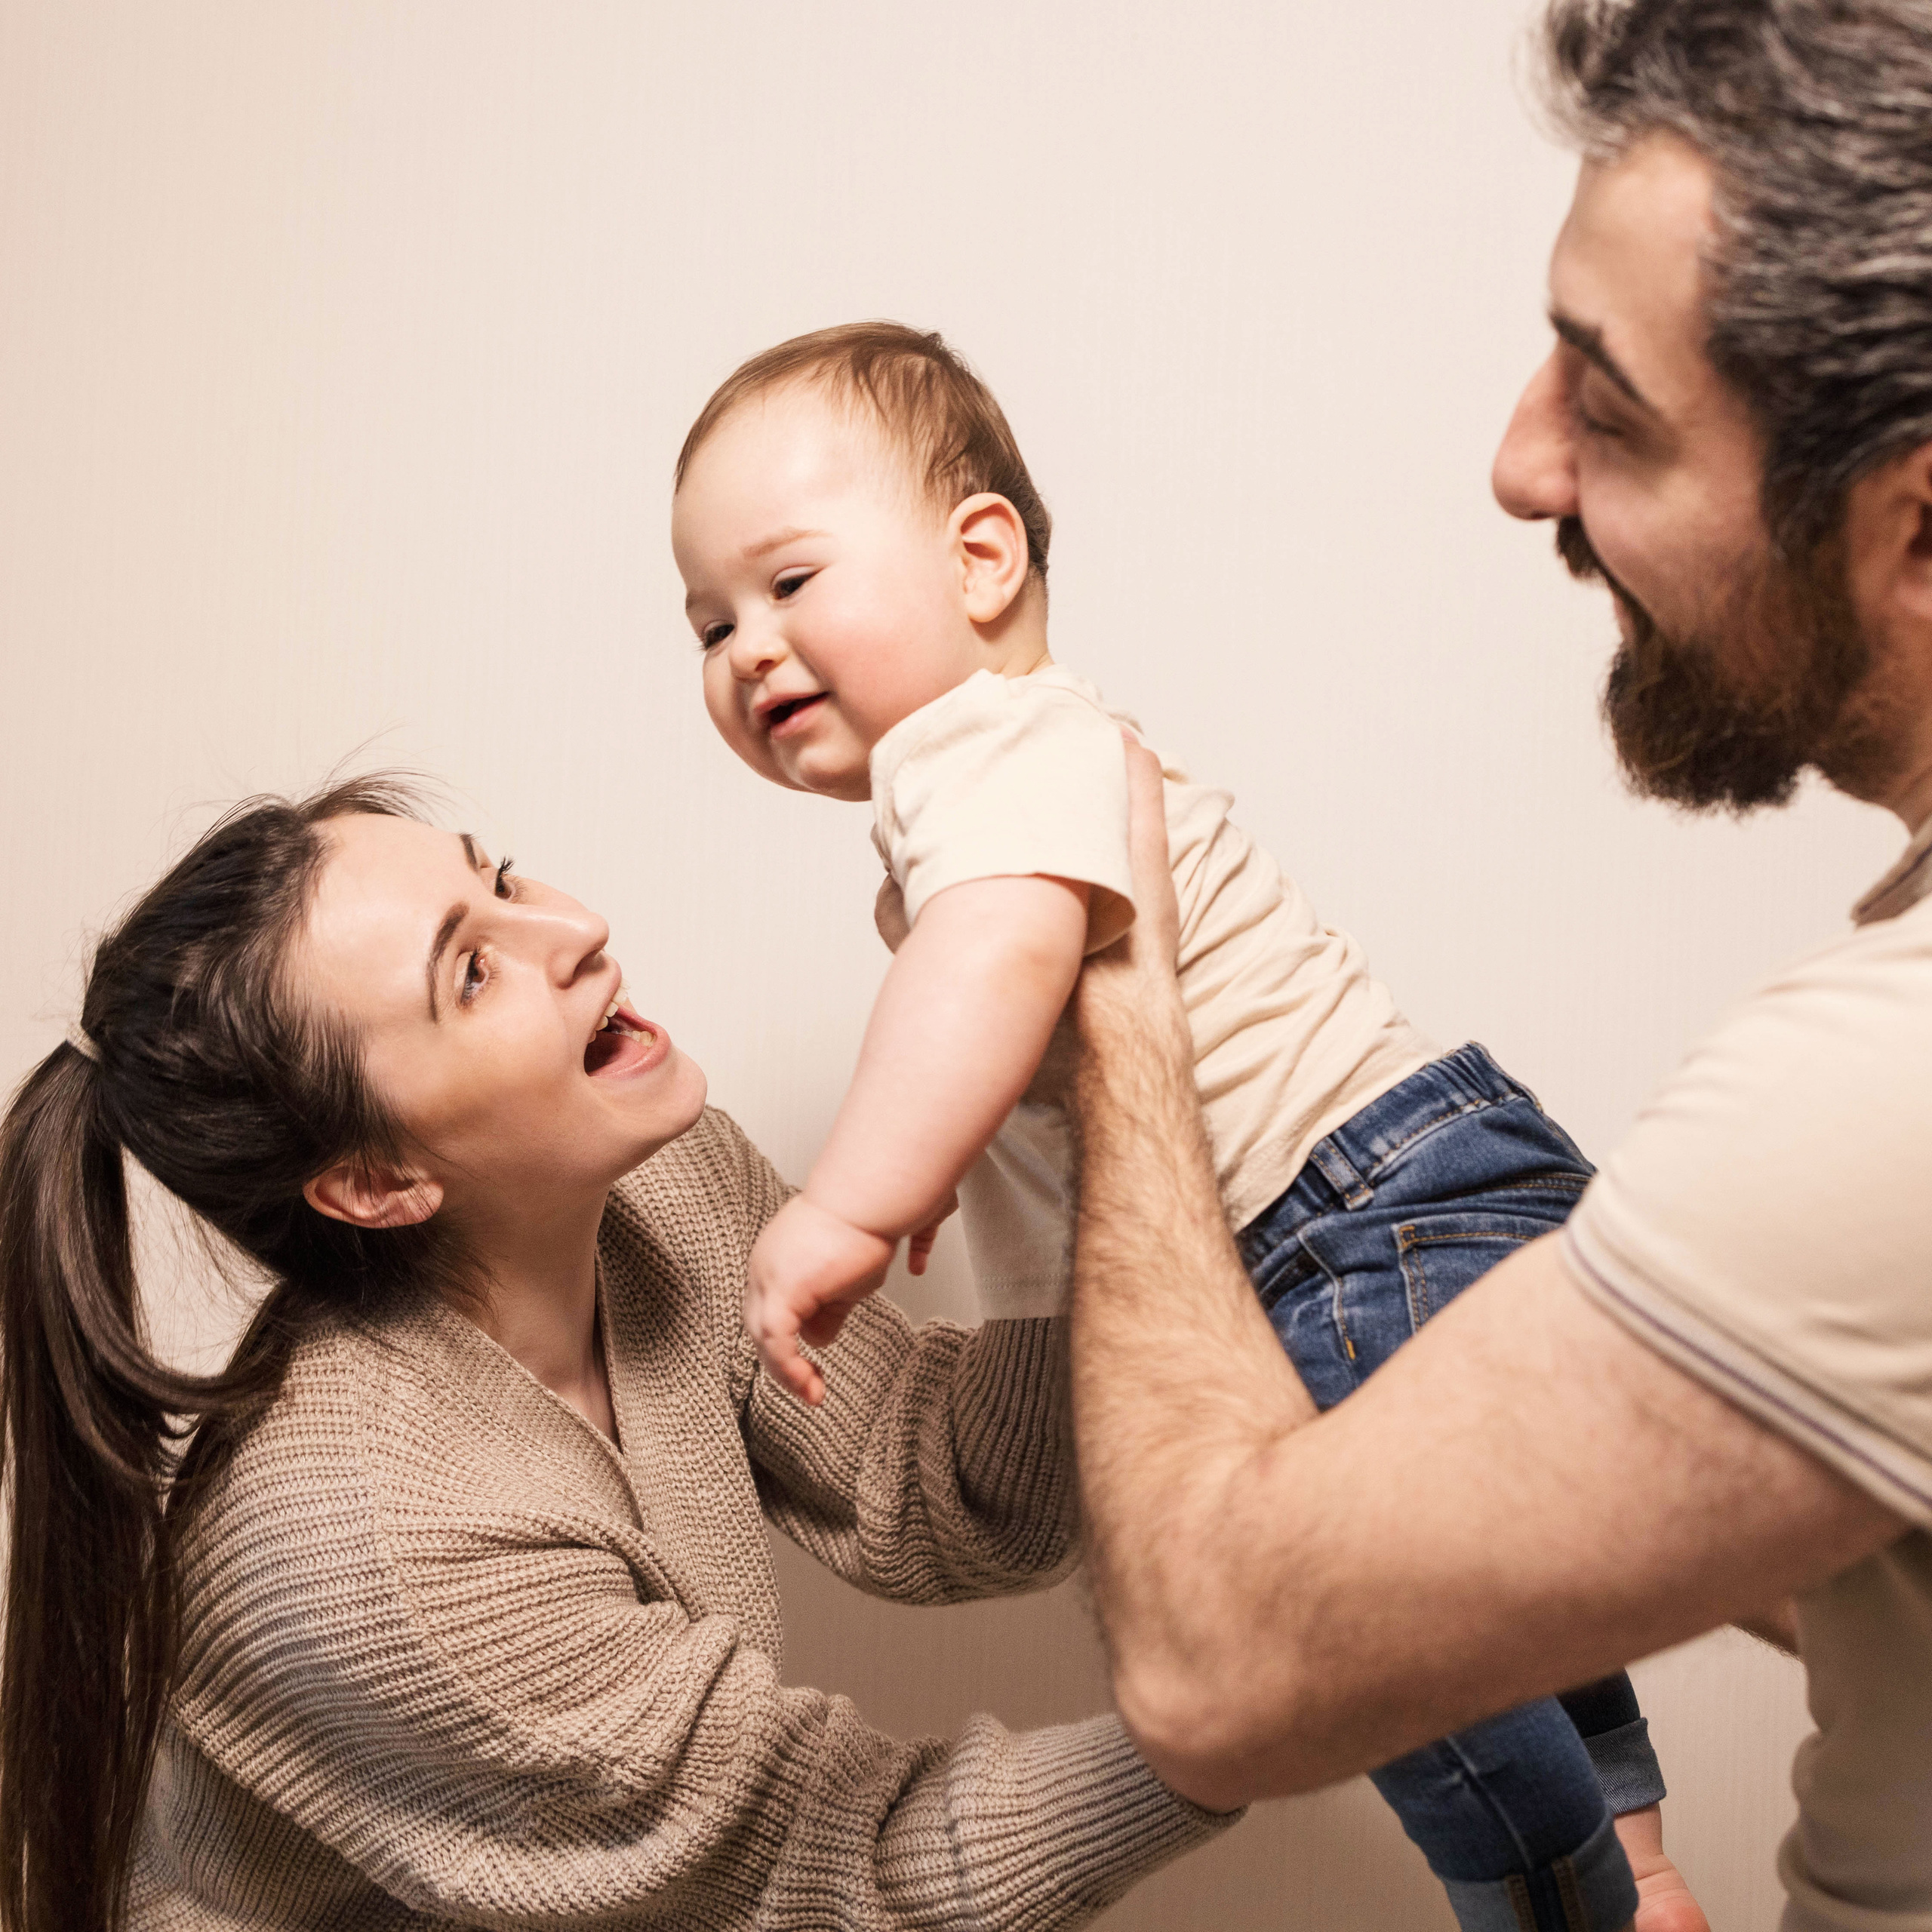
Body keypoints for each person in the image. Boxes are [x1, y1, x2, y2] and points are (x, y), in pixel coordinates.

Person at [1064, 5, 1932, 1930]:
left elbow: (1211, 1658)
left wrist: (1115, 989)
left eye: (1608, 407)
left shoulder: (1892, 1080)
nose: (1516, 466)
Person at [672, 321, 1702, 1932]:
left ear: (981, 556)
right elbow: (1022, 1011)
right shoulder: (1009, 758)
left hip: (1344, 1218)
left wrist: (858, 1200)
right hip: (1417, 1180)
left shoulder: (975, 742)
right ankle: (1632, 1857)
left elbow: (1000, 953)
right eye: (708, 621)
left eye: (787, 583)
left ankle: (1563, 1904)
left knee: (1349, 1621)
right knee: (1487, 1557)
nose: (745, 648)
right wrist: (948, 1149)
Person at [0, 777, 1224, 1932]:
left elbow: (934, 1480)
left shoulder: (661, 1189)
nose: (576, 928)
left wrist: (1065, 1105)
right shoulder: (379, 1547)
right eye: (473, 973)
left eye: (509, 881)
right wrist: (1236, 1724)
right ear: (377, 1182)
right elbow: (853, 1872)